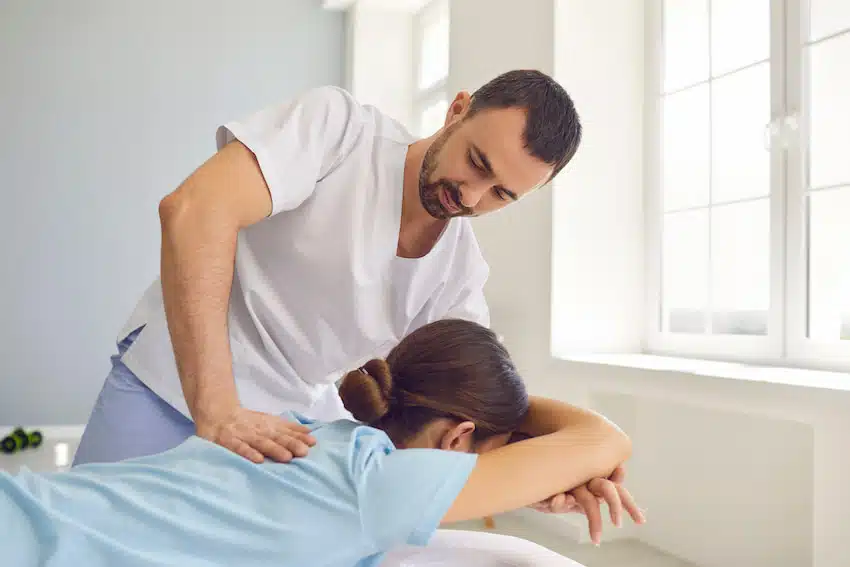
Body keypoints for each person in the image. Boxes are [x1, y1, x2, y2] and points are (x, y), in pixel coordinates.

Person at [72, 69, 584, 470]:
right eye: (477, 162)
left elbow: (477, 405)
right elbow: (193, 211)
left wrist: (565, 460)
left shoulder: (459, 276)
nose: (471, 196)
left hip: (287, 431)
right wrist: (217, 407)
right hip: (174, 382)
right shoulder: (340, 131)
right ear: (456, 111)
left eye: (501, 195)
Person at [4, 320, 641, 567]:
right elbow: (604, 438)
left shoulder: (312, 435)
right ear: (460, 436)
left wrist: (500, 436)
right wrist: (512, 417)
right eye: (493, 453)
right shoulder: (381, 486)